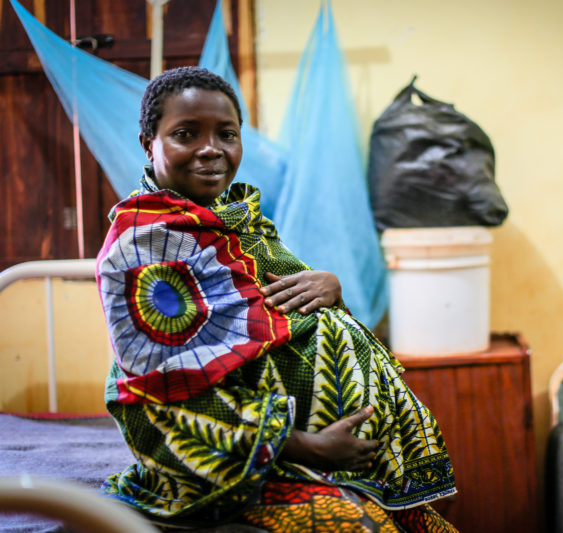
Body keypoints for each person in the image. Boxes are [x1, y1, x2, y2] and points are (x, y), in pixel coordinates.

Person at [96, 66, 457, 532]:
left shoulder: (243, 222)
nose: (211, 149)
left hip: (331, 450)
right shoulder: (139, 248)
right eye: (186, 134)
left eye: (226, 133)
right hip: (247, 456)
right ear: (149, 144)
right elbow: (163, 388)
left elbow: (289, 312)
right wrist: (308, 446)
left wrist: (330, 288)